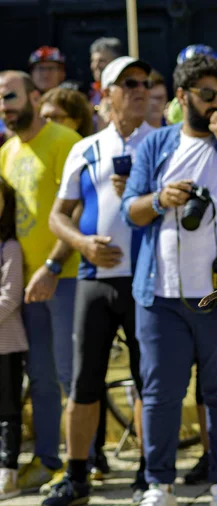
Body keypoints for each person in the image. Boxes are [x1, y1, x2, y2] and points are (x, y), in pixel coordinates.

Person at [121, 54, 217, 506]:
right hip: (161, 297)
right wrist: (161, 198)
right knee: (161, 393)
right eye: (206, 95)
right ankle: (158, 483)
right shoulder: (156, 144)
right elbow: (131, 210)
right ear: (182, 97)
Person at [43, 56, 155, 506]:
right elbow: (57, 215)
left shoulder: (162, 142)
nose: (140, 89)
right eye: (128, 83)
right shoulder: (84, 147)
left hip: (148, 278)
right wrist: (83, 244)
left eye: (145, 82)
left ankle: (151, 473)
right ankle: (77, 476)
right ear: (106, 93)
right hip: (95, 276)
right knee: (84, 383)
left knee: (149, 382)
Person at [0, 70, 80, 491]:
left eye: (11, 96)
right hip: (28, 287)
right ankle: (49, 460)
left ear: (34, 95)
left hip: (65, 277)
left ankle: (83, 461)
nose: (4, 106)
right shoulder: (7, 151)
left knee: (73, 375)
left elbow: (78, 210)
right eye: (0, 100)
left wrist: (52, 266)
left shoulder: (65, 143)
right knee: (44, 378)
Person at [0, 180, 27, 501]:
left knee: (8, 409)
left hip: (6, 343)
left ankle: (8, 472)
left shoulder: (9, 247)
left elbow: (10, 297)